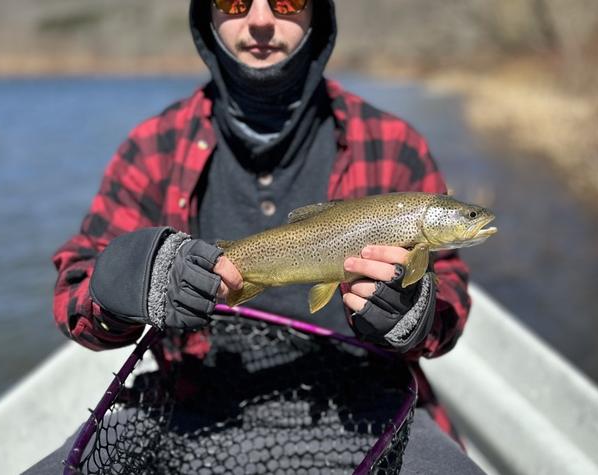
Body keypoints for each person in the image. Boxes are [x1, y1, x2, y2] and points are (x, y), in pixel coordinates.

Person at [49, 0, 484, 473]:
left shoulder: (394, 143)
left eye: (287, 1)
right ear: (207, 17)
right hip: (195, 407)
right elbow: (73, 295)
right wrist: (131, 280)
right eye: (233, 1)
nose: (259, 20)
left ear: (317, 13)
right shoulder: (154, 147)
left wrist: (417, 312)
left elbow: (451, 302)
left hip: (370, 406)